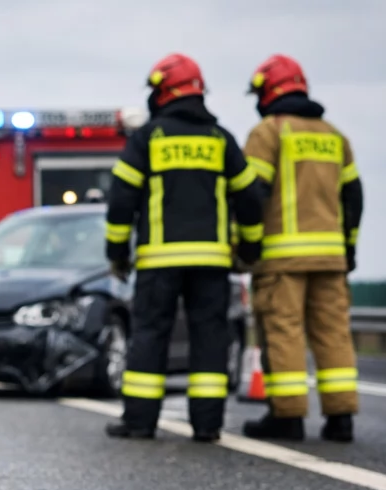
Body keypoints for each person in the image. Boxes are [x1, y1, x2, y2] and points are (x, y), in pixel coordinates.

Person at [104, 53, 266, 442]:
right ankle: (207, 426)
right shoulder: (220, 140)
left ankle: (140, 422)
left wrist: (117, 254)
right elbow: (250, 197)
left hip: (159, 262)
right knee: (210, 338)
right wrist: (249, 249)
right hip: (212, 262)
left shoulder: (149, 139)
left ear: (163, 92)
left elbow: (122, 200)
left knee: (149, 335)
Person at [239, 54, 364, 442]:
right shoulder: (334, 135)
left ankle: (288, 416)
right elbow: (353, 197)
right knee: (333, 334)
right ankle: (341, 418)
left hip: (282, 259)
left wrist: (248, 245)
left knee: (284, 332)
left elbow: (253, 194)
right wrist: (349, 248)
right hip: (331, 258)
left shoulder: (268, 132)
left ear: (268, 92)